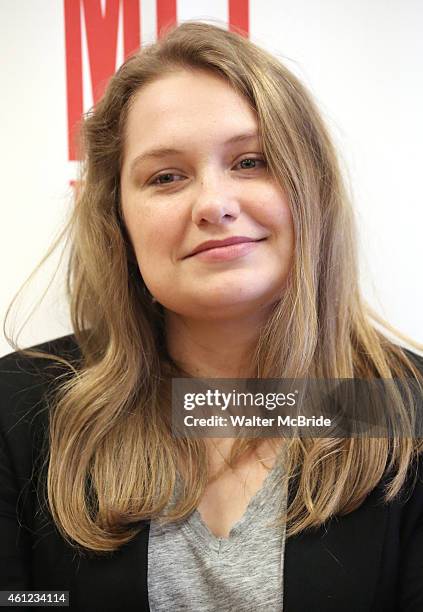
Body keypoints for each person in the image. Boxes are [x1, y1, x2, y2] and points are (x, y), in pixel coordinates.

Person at [1, 20, 423, 612]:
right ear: (117, 219)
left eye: (251, 162)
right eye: (166, 176)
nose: (215, 204)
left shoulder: (403, 408)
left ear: (313, 187)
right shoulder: (20, 408)